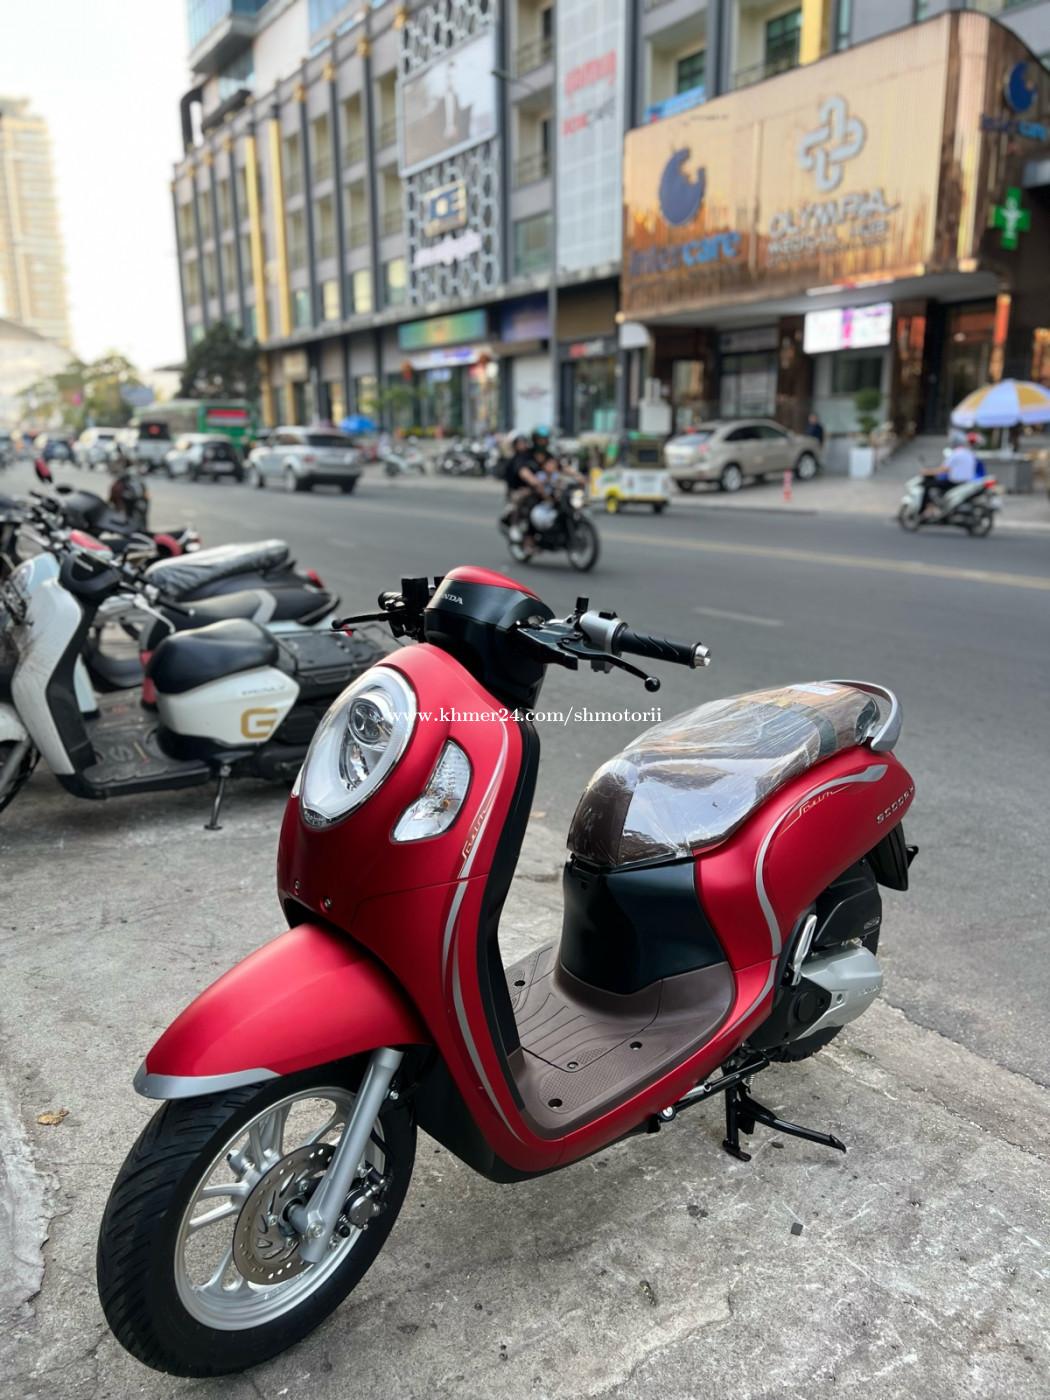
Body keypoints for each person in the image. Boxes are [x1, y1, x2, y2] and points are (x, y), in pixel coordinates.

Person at [921, 430, 978, 515]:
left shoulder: (955, 454)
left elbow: (943, 469)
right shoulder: (970, 454)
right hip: (967, 482)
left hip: (954, 483)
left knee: (927, 484)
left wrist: (928, 472)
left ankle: (928, 509)